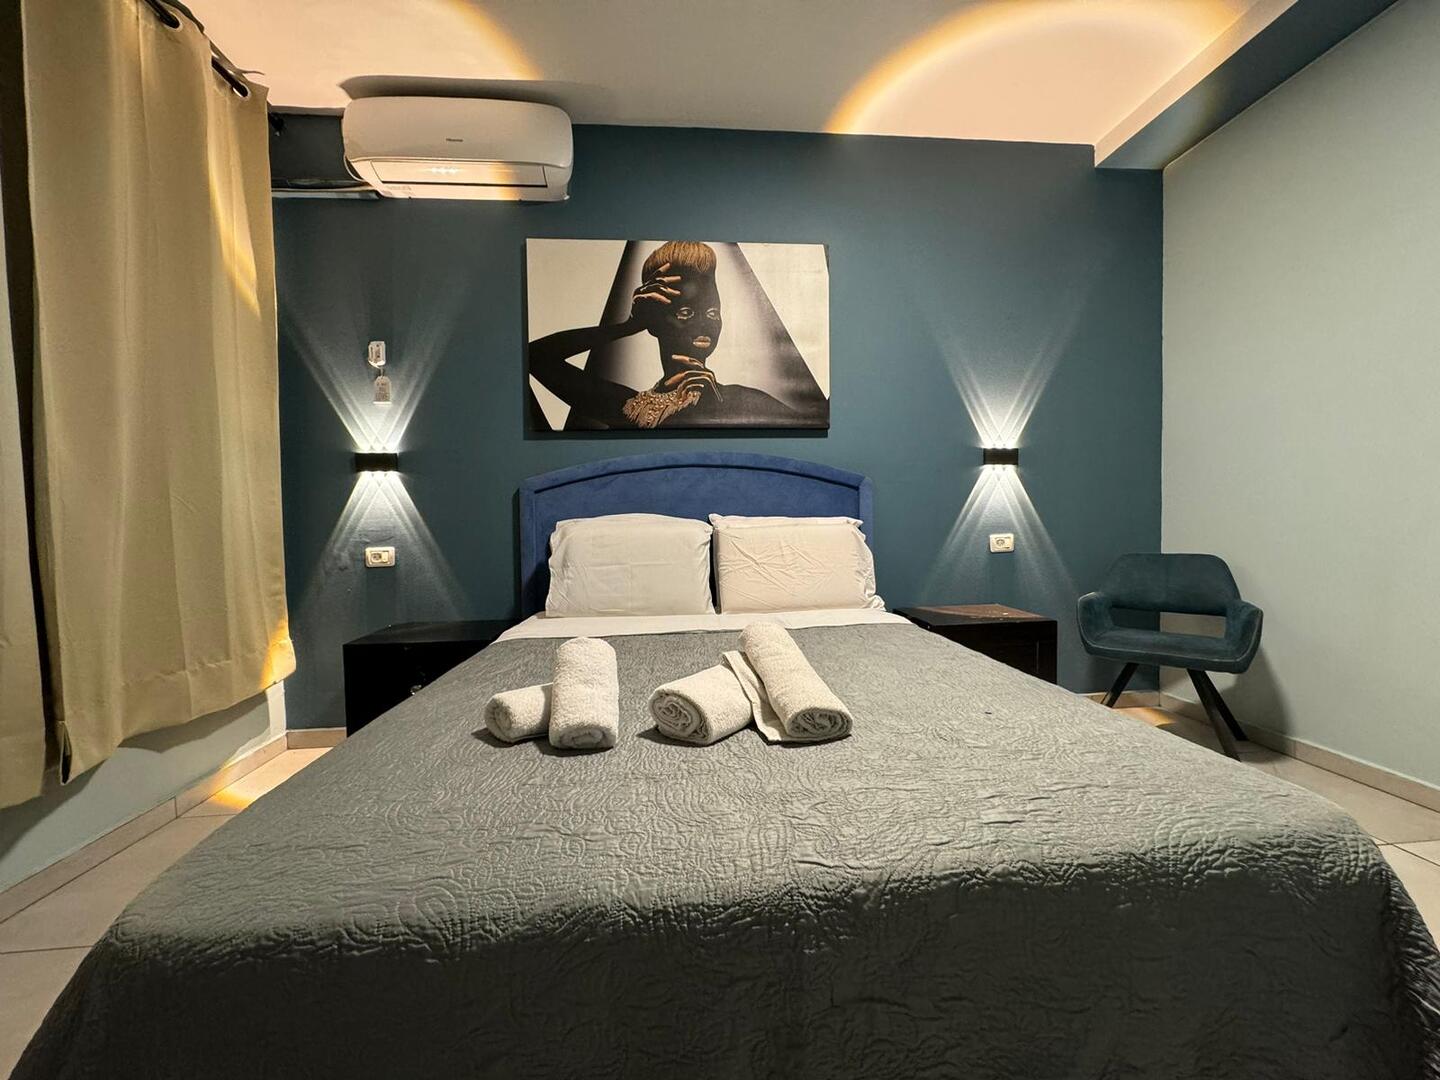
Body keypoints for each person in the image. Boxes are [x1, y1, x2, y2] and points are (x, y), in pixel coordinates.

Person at [528, 241, 798, 429]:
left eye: (713, 312)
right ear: (654, 323)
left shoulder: (743, 401)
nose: (704, 324)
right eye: (686, 313)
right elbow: (534, 357)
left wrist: (715, 405)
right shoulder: (628, 408)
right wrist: (629, 326)